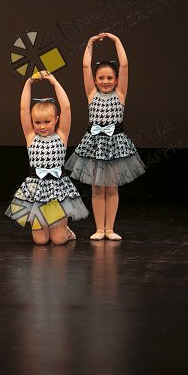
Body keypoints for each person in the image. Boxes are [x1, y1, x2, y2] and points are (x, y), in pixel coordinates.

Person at [65, 32, 145, 240]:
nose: (105, 81)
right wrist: (90, 44)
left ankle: (110, 228)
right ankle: (99, 228)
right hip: (94, 144)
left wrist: (116, 41)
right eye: (101, 78)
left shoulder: (120, 94)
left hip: (115, 144)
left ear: (116, 80)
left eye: (110, 78)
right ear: (95, 80)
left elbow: (124, 65)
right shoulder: (92, 94)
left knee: (112, 188)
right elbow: (85, 67)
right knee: (96, 188)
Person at [6, 71, 88, 245]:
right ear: (32, 121)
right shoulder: (31, 137)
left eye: (47, 122)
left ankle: (65, 230)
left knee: (58, 240)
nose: (42, 126)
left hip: (57, 188)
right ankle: (46, 224)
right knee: (40, 241)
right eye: (37, 122)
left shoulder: (61, 136)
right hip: (36, 189)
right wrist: (28, 83)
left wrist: (54, 82)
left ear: (56, 120)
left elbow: (66, 108)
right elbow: (23, 109)